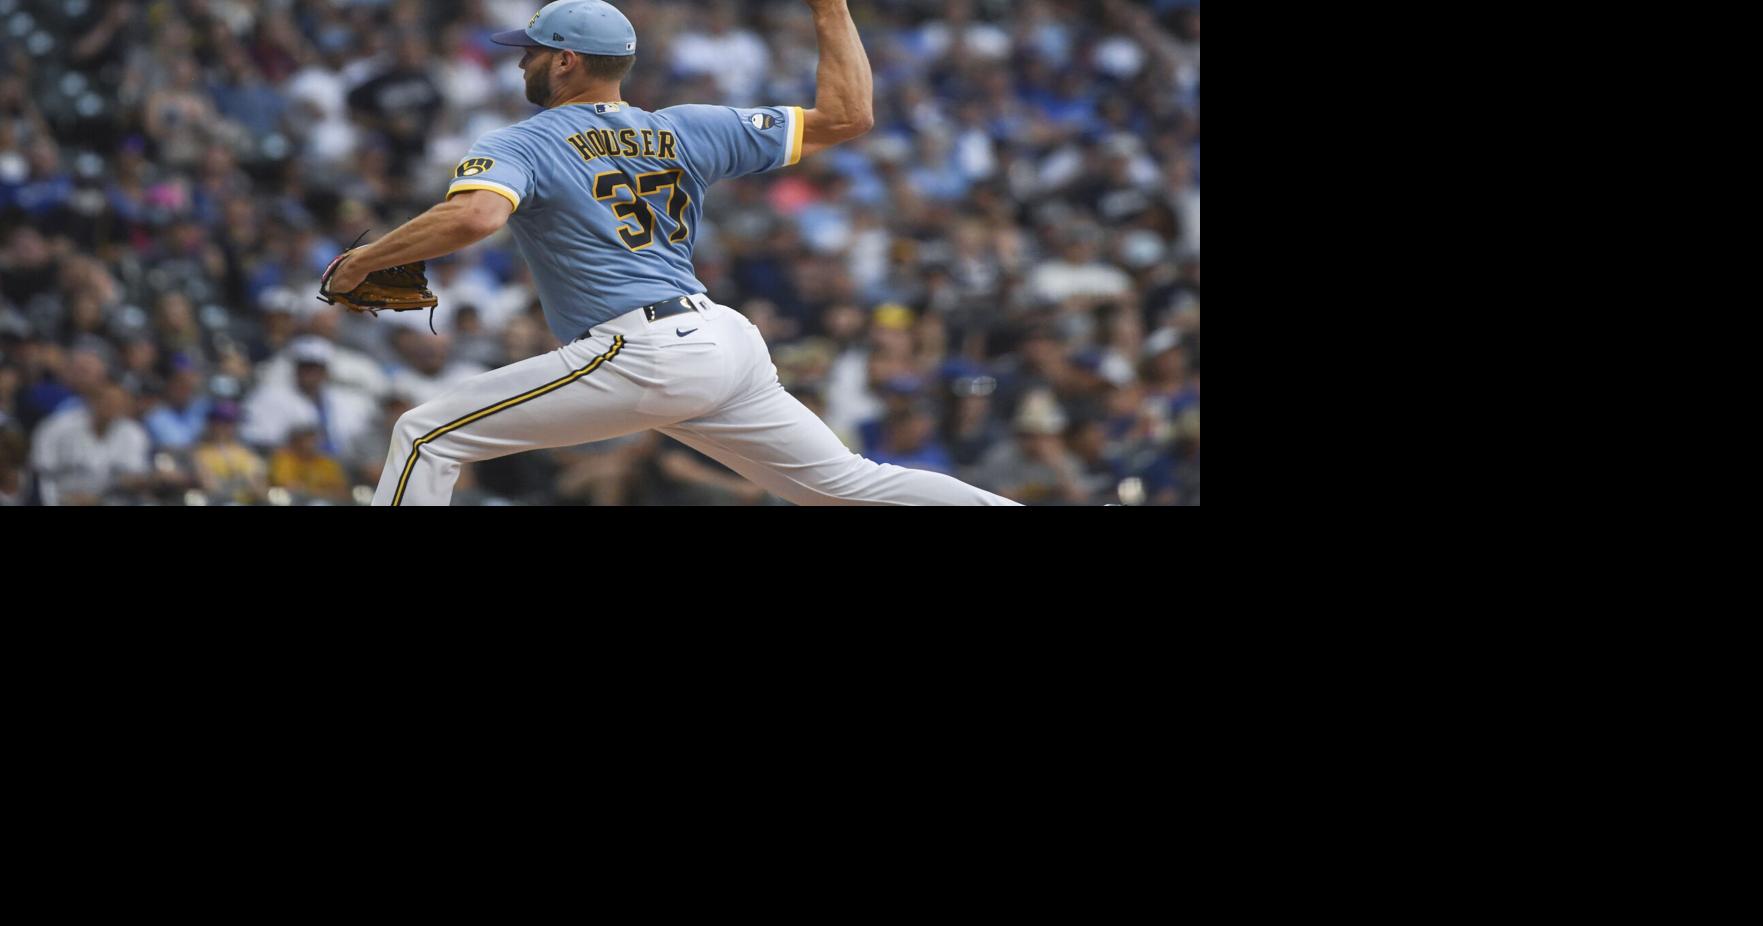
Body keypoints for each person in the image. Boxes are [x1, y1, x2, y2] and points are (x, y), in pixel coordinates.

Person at [320, 0, 1019, 506]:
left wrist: (362, 261)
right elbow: (848, 117)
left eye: (531, 50)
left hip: (646, 350)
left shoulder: (520, 141)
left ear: (564, 61)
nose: (523, 61)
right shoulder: (685, 128)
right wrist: (829, 6)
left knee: (424, 435)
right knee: (845, 486)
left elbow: (474, 217)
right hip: (722, 342)